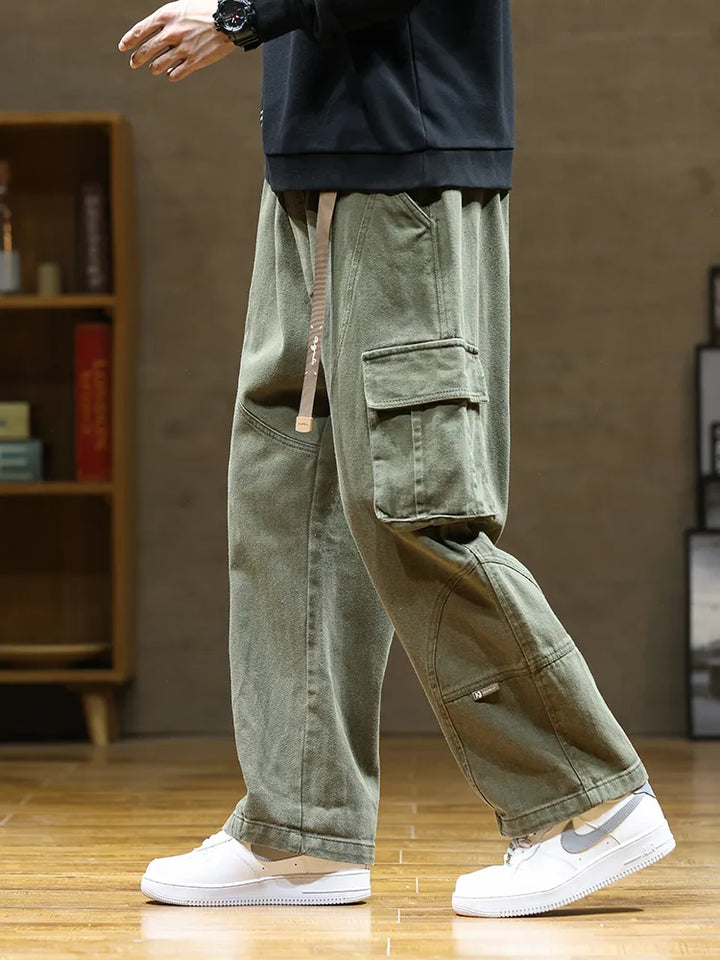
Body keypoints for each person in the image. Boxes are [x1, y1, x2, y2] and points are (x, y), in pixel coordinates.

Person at [118, 0, 676, 917]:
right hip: (318, 166)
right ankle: (300, 831)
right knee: (290, 495)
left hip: (399, 166)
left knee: (415, 499)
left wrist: (241, 13)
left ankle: (589, 803)